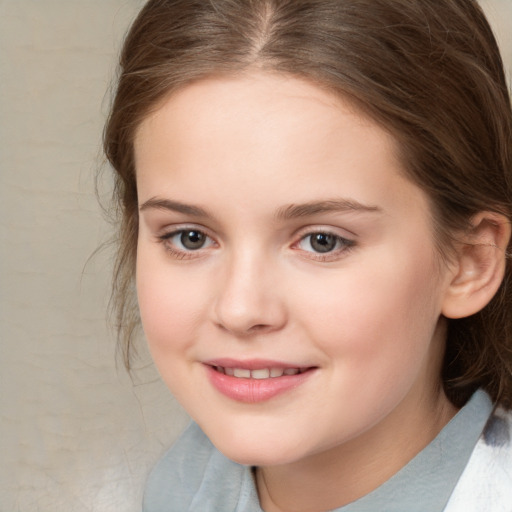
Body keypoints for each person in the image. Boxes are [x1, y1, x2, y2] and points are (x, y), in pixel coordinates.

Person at [103, 0, 512, 510]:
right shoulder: (179, 486)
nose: (240, 309)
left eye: (323, 241)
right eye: (190, 237)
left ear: (470, 263)